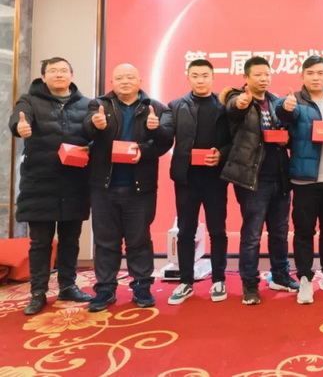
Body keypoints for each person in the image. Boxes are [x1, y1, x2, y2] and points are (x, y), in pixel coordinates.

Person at [83, 63, 173, 312]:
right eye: (120, 77)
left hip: (140, 187)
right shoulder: (98, 105)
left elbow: (166, 140)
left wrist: (147, 144)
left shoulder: (156, 107)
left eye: (130, 77)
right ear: (112, 82)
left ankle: (142, 286)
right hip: (104, 186)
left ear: (140, 80)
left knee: (139, 239)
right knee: (106, 240)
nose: (125, 81)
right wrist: (95, 125)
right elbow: (84, 131)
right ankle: (105, 288)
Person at [9, 57, 93, 315]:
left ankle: (68, 286)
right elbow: (17, 121)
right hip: (39, 183)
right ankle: (38, 292)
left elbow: (94, 136)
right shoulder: (29, 101)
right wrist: (20, 127)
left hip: (74, 182)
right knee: (40, 242)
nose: (59, 74)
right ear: (43, 77)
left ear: (71, 75)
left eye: (64, 70)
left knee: (70, 239)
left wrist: (91, 146)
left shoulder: (86, 104)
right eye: (53, 71)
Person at [221, 56, 297, 305]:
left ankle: (281, 275)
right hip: (252, 179)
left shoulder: (275, 102)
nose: (263, 78)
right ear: (246, 77)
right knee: (252, 235)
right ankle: (250, 283)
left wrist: (286, 137)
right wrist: (241, 102)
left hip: (280, 177)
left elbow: (285, 131)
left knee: (280, 232)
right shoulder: (239, 98)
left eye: (267, 74)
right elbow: (233, 107)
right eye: (257, 75)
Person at [276, 55, 323, 305]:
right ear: (302, 76)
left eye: (320, 73)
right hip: (305, 181)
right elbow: (282, 114)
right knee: (304, 232)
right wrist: (284, 107)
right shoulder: (295, 101)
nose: (316, 77)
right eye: (310, 73)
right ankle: (305, 279)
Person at [167, 59, 232, 305]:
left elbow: (234, 140)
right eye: (195, 75)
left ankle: (219, 279)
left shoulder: (224, 107)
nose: (200, 80)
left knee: (218, 230)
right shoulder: (176, 106)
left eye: (205, 75)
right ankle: (186, 282)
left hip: (215, 178)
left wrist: (221, 154)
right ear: (188, 77)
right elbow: (165, 135)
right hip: (186, 178)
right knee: (185, 231)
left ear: (213, 78)